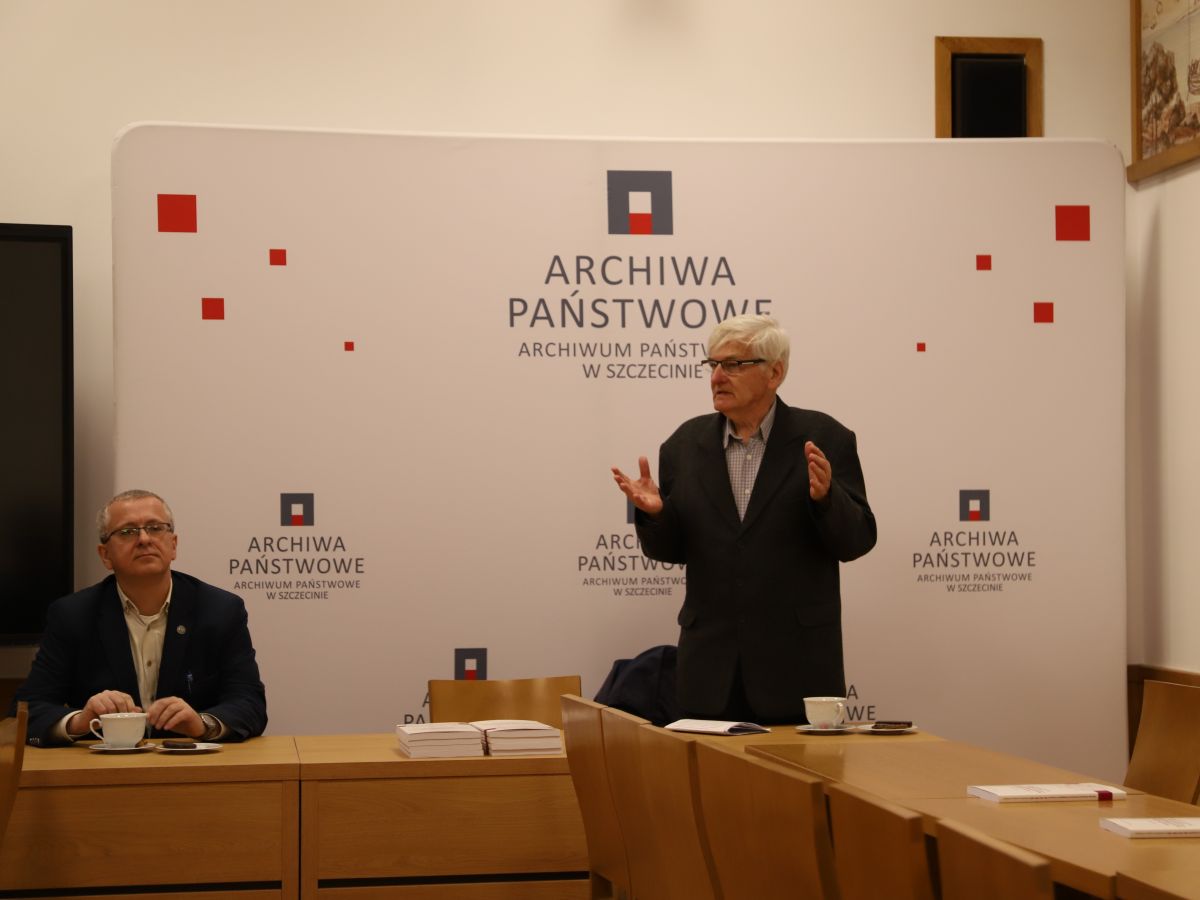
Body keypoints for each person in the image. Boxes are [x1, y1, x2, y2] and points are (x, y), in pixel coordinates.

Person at [612, 314, 876, 724]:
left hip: (797, 670)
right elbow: (673, 551)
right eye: (713, 364)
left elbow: (857, 540)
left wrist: (828, 499)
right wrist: (656, 515)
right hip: (709, 675)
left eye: (734, 364)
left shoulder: (824, 438)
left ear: (775, 373)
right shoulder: (682, 446)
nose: (717, 376)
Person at [13, 489, 267, 746]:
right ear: (105, 555)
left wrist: (202, 724)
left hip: (191, 762)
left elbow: (250, 703)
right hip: (105, 765)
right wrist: (79, 721)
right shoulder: (72, 615)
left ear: (173, 545)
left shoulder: (220, 610)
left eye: (156, 528)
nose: (144, 539)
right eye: (127, 531)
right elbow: (25, 710)